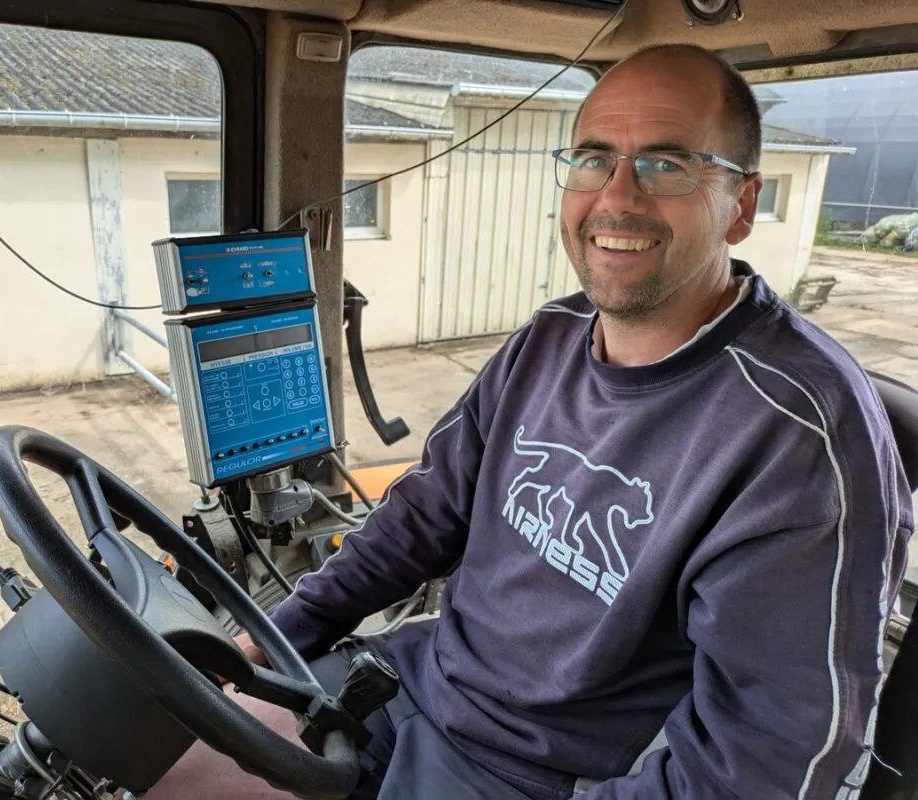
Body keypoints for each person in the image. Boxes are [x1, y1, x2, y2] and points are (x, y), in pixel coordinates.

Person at [148, 43, 914, 799]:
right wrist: (273, 637)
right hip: (411, 686)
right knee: (149, 758)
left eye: (666, 163)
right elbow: (419, 518)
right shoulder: (549, 338)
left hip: (539, 776)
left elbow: (764, 764)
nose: (616, 196)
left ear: (739, 207)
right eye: (592, 159)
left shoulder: (798, 441)